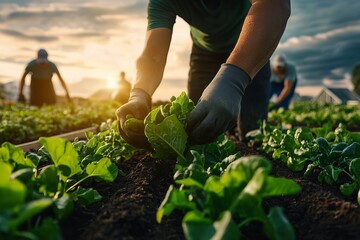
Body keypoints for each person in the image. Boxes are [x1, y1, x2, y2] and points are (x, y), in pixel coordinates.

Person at [116, 0, 291, 147]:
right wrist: (139, 94)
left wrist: (234, 79)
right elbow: (152, 56)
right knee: (197, 129)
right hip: (204, 55)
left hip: (251, 49)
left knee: (254, 133)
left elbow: (274, 5)